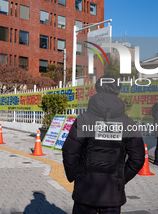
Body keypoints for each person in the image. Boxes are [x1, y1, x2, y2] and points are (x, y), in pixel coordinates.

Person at [62, 75, 145, 214]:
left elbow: (70, 152)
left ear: (97, 90)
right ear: (118, 91)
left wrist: (75, 176)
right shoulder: (128, 123)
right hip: (112, 193)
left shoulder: (84, 119)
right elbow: (138, 158)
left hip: (85, 191)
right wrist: (121, 178)